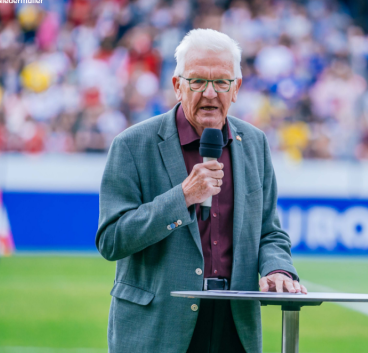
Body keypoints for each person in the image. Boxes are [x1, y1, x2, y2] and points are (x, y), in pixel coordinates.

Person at [95, 28, 307, 353]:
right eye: (197, 81)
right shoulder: (132, 145)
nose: (210, 93)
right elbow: (111, 241)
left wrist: (278, 269)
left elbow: (269, 232)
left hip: (235, 324)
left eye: (221, 81)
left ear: (236, 89)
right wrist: (182, 198)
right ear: (178, 86)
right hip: (159, 325)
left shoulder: (254, 143)